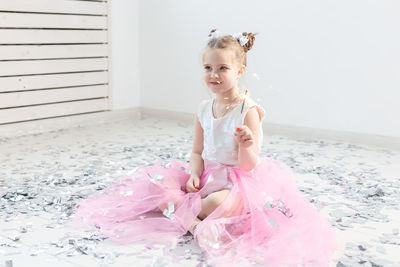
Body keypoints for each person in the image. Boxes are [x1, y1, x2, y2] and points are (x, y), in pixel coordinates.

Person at [72, 29, 337, 266]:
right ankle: (197, 227)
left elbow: (249, 165)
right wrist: (196, 173)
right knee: (156, 185)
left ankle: (189, 218)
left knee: (215, 204)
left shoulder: (248, 111)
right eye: (208, 68)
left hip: (237, 182)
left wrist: (245, 144)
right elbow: (197, 151)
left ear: (239, 71)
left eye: (222, 68)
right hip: (208, 176)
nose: (214, 75)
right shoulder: (202, 108)